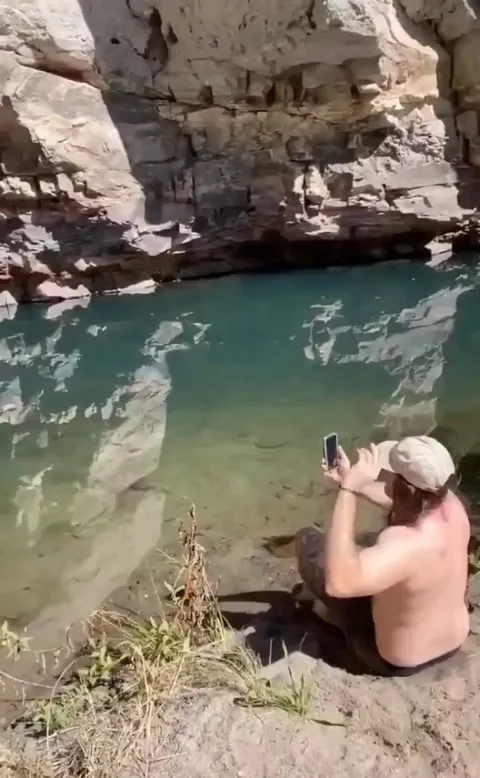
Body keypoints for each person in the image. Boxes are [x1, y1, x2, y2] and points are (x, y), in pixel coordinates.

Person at [295, 435, 470, 676]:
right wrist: (351, 480)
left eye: (393, 475)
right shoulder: (453, 507)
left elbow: (339, 584)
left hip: (398, 661)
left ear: (402, 487)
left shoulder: (405, 543)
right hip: (452, 642)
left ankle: (328, 616)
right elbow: (400, 501)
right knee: (373, 557)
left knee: (310, 543)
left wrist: (348, 492)